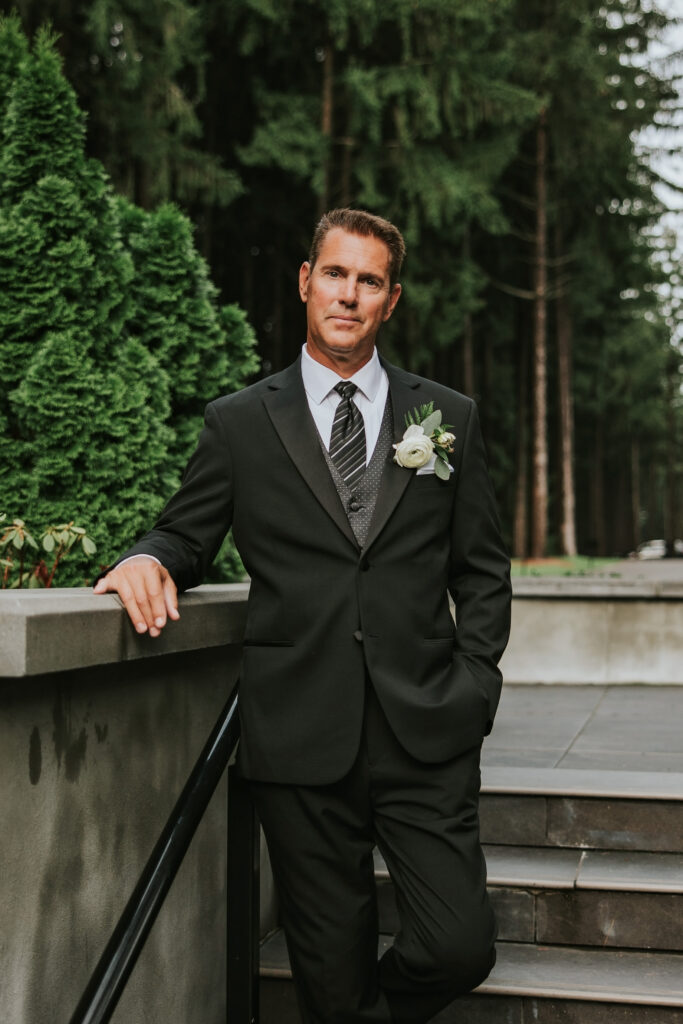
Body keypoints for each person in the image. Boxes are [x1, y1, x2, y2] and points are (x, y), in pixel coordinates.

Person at [94, 208, 512, 1023]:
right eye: (334, 274)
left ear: (391, 300)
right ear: (304, 281)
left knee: (460, 943)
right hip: (297, 735)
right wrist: (147, 558)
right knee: (329, 981)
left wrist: (474, 683)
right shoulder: (240, 421)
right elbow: (185, 531)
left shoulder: (447, 419)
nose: (348, 295)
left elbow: (482, 568)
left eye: (369, 280)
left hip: (423, 727)